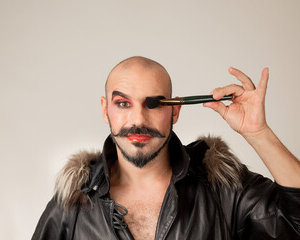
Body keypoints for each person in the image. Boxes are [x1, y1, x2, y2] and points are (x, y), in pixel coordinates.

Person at [32, 56, 300, 239]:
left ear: (175, 112)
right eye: (123, 104)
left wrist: (259, 133)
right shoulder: (74, 203)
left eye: (155, 104)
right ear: (106, 110)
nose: (138, 120)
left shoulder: (222, 188)